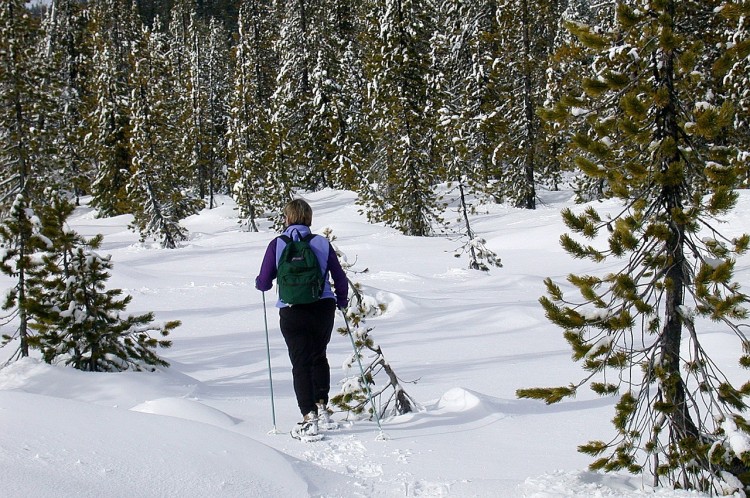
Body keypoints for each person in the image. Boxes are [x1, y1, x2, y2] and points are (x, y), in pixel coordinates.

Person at [255, 198, 349, 439]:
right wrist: (341, 301)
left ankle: (308, 416)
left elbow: (264, 281)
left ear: (287, 218)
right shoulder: (321, 242)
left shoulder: (277, 243)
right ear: (309, 218)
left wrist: (260, 284)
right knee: (319, 355)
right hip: (322, 307)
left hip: (292, 309)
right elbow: (339, 277)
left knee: (300, 362)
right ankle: (321, 406)